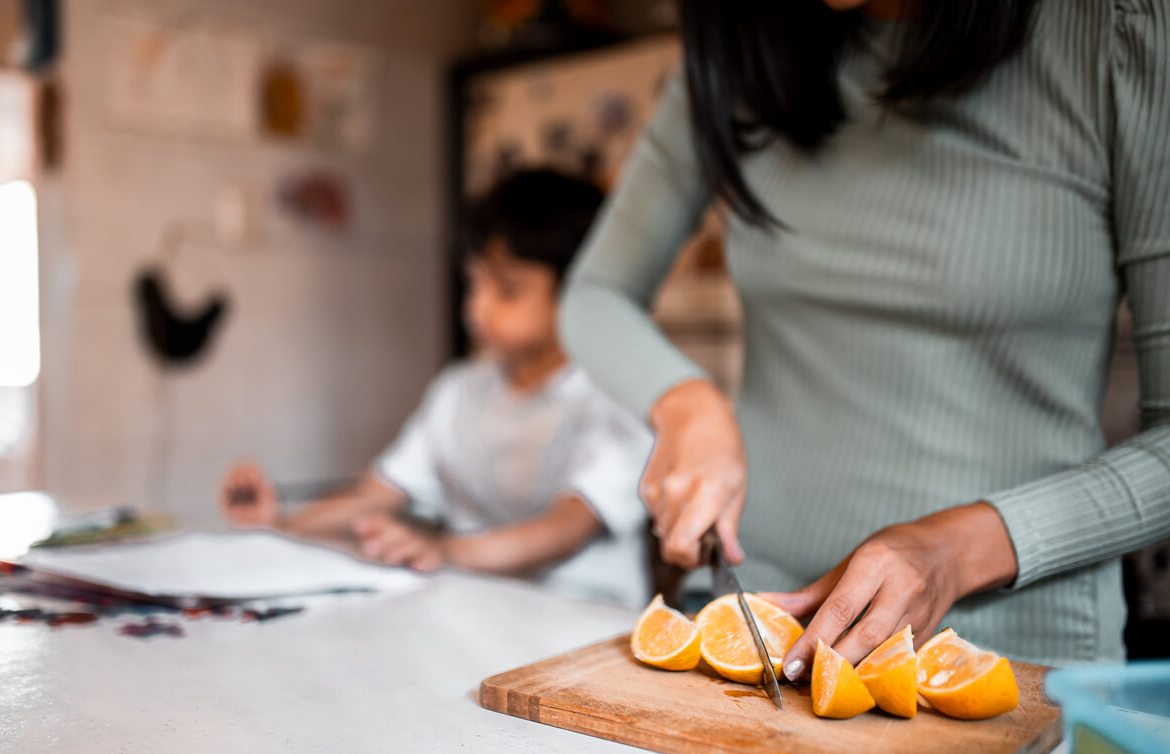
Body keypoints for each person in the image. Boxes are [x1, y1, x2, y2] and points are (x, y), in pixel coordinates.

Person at [559, 0, 1170, 670]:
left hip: (1011, 662)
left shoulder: (1119, 28)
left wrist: (956, 549)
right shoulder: (740, 50)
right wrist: (684, 401)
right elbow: (595, 293)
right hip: (755, 625)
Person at [222, 169, 654, 607]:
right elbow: (374, 497)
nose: (478, 307)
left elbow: (566, 529)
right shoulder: (459, 390)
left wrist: (445, 552)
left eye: (507, 290)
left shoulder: (617, 397)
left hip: (587, 628)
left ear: (582, 293)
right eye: (474, 283)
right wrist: (279, 522)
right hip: (476, 614)